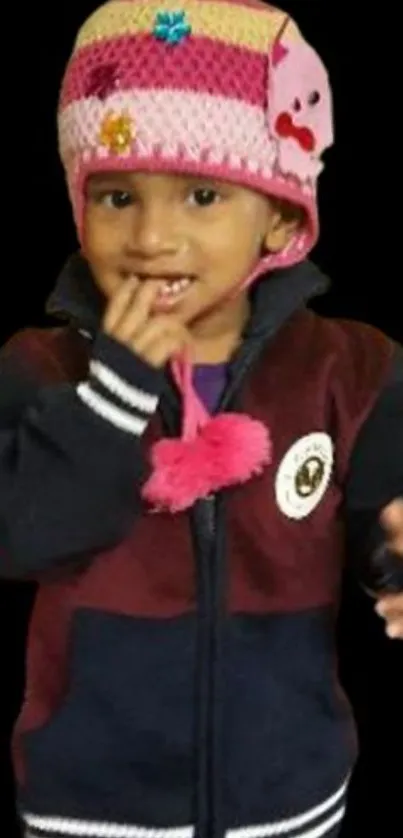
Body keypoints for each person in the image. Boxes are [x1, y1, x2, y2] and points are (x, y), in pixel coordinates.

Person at [1, 1, 402, 836]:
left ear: (283, 218)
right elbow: (27, 537)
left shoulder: (353, 369)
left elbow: (376, 520)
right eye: (115, 197)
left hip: (289, 794)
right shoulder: (36, 369)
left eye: (201, 194)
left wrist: (394, 561)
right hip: (90, 802)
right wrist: (116, 387)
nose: (151, 236)